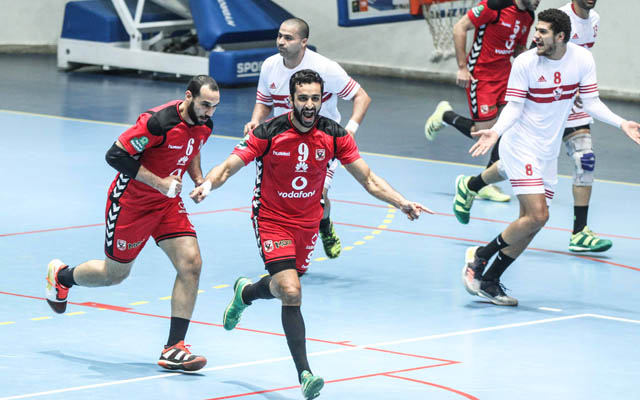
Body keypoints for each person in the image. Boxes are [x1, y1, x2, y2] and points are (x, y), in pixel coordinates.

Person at [191, 70, 430, 399]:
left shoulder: (334, 135)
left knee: (282, 287)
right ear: (291, 99)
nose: (309, 105)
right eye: (302, 98)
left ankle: (245, 293)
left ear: (322, 100)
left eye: (315, 99)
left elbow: (368, 178)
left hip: (307, 223)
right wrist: (207, 184)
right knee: (291, 291)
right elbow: (229, 166)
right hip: (272, 219)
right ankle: (305, 374)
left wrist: (401, 202)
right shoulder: (269, 131)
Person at [458, 9, 640, 306]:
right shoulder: (525, 62)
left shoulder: (582, 60)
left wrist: (622, 123)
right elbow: (514, 107)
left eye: (543, 32)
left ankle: (489, 281)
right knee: (539, 215)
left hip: (547, 153)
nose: (536, 36)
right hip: (520, 146)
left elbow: (591, 102)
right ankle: (479, 257)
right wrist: (496, 131)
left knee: (531, 223)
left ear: (561, 37)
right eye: (537, 30)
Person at [45, 75, 220, 371]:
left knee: (191, 264)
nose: (209, 112)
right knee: (114, 274)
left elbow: (193, 147)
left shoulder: (205, 124)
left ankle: (174, 348)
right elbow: (115, 155)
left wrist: (198, 179)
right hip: (131, 204)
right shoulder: (157, 123)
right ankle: (62, 277)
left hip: (167, 204)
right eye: (205, 104)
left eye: (214, 106)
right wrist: (160, 182)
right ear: (188, 96)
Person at [453, 0, 611, 253]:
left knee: (584, 159)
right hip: (539, 99)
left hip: (569, 99)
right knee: (514, 156)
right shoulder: (557, 17)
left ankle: (579, 232)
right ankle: (472, 186)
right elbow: (534, 54)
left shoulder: (594, 20)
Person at [243, 17, 371, 260]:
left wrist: (350, 130)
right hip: (284, 144)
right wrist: (255, 121)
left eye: (288, 38)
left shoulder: (325, 68)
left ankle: (324, 226)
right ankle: (284, 242)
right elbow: (264, 101)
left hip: (322, 144)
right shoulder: (270, 66)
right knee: (287, 197)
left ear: (304, 42)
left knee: (318, 195)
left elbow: (361, 96)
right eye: (279, 36)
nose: (281, 42)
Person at [424, 0, 540, 203]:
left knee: (506, 128)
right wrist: (462, 67)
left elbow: (518, 49)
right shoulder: (494, 5)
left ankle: (484, 184)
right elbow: (459, 27)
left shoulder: (528, 16)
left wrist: (536, 59)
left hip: (506, 75)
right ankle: (446, 115)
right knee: (484, 134)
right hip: (482, 75)